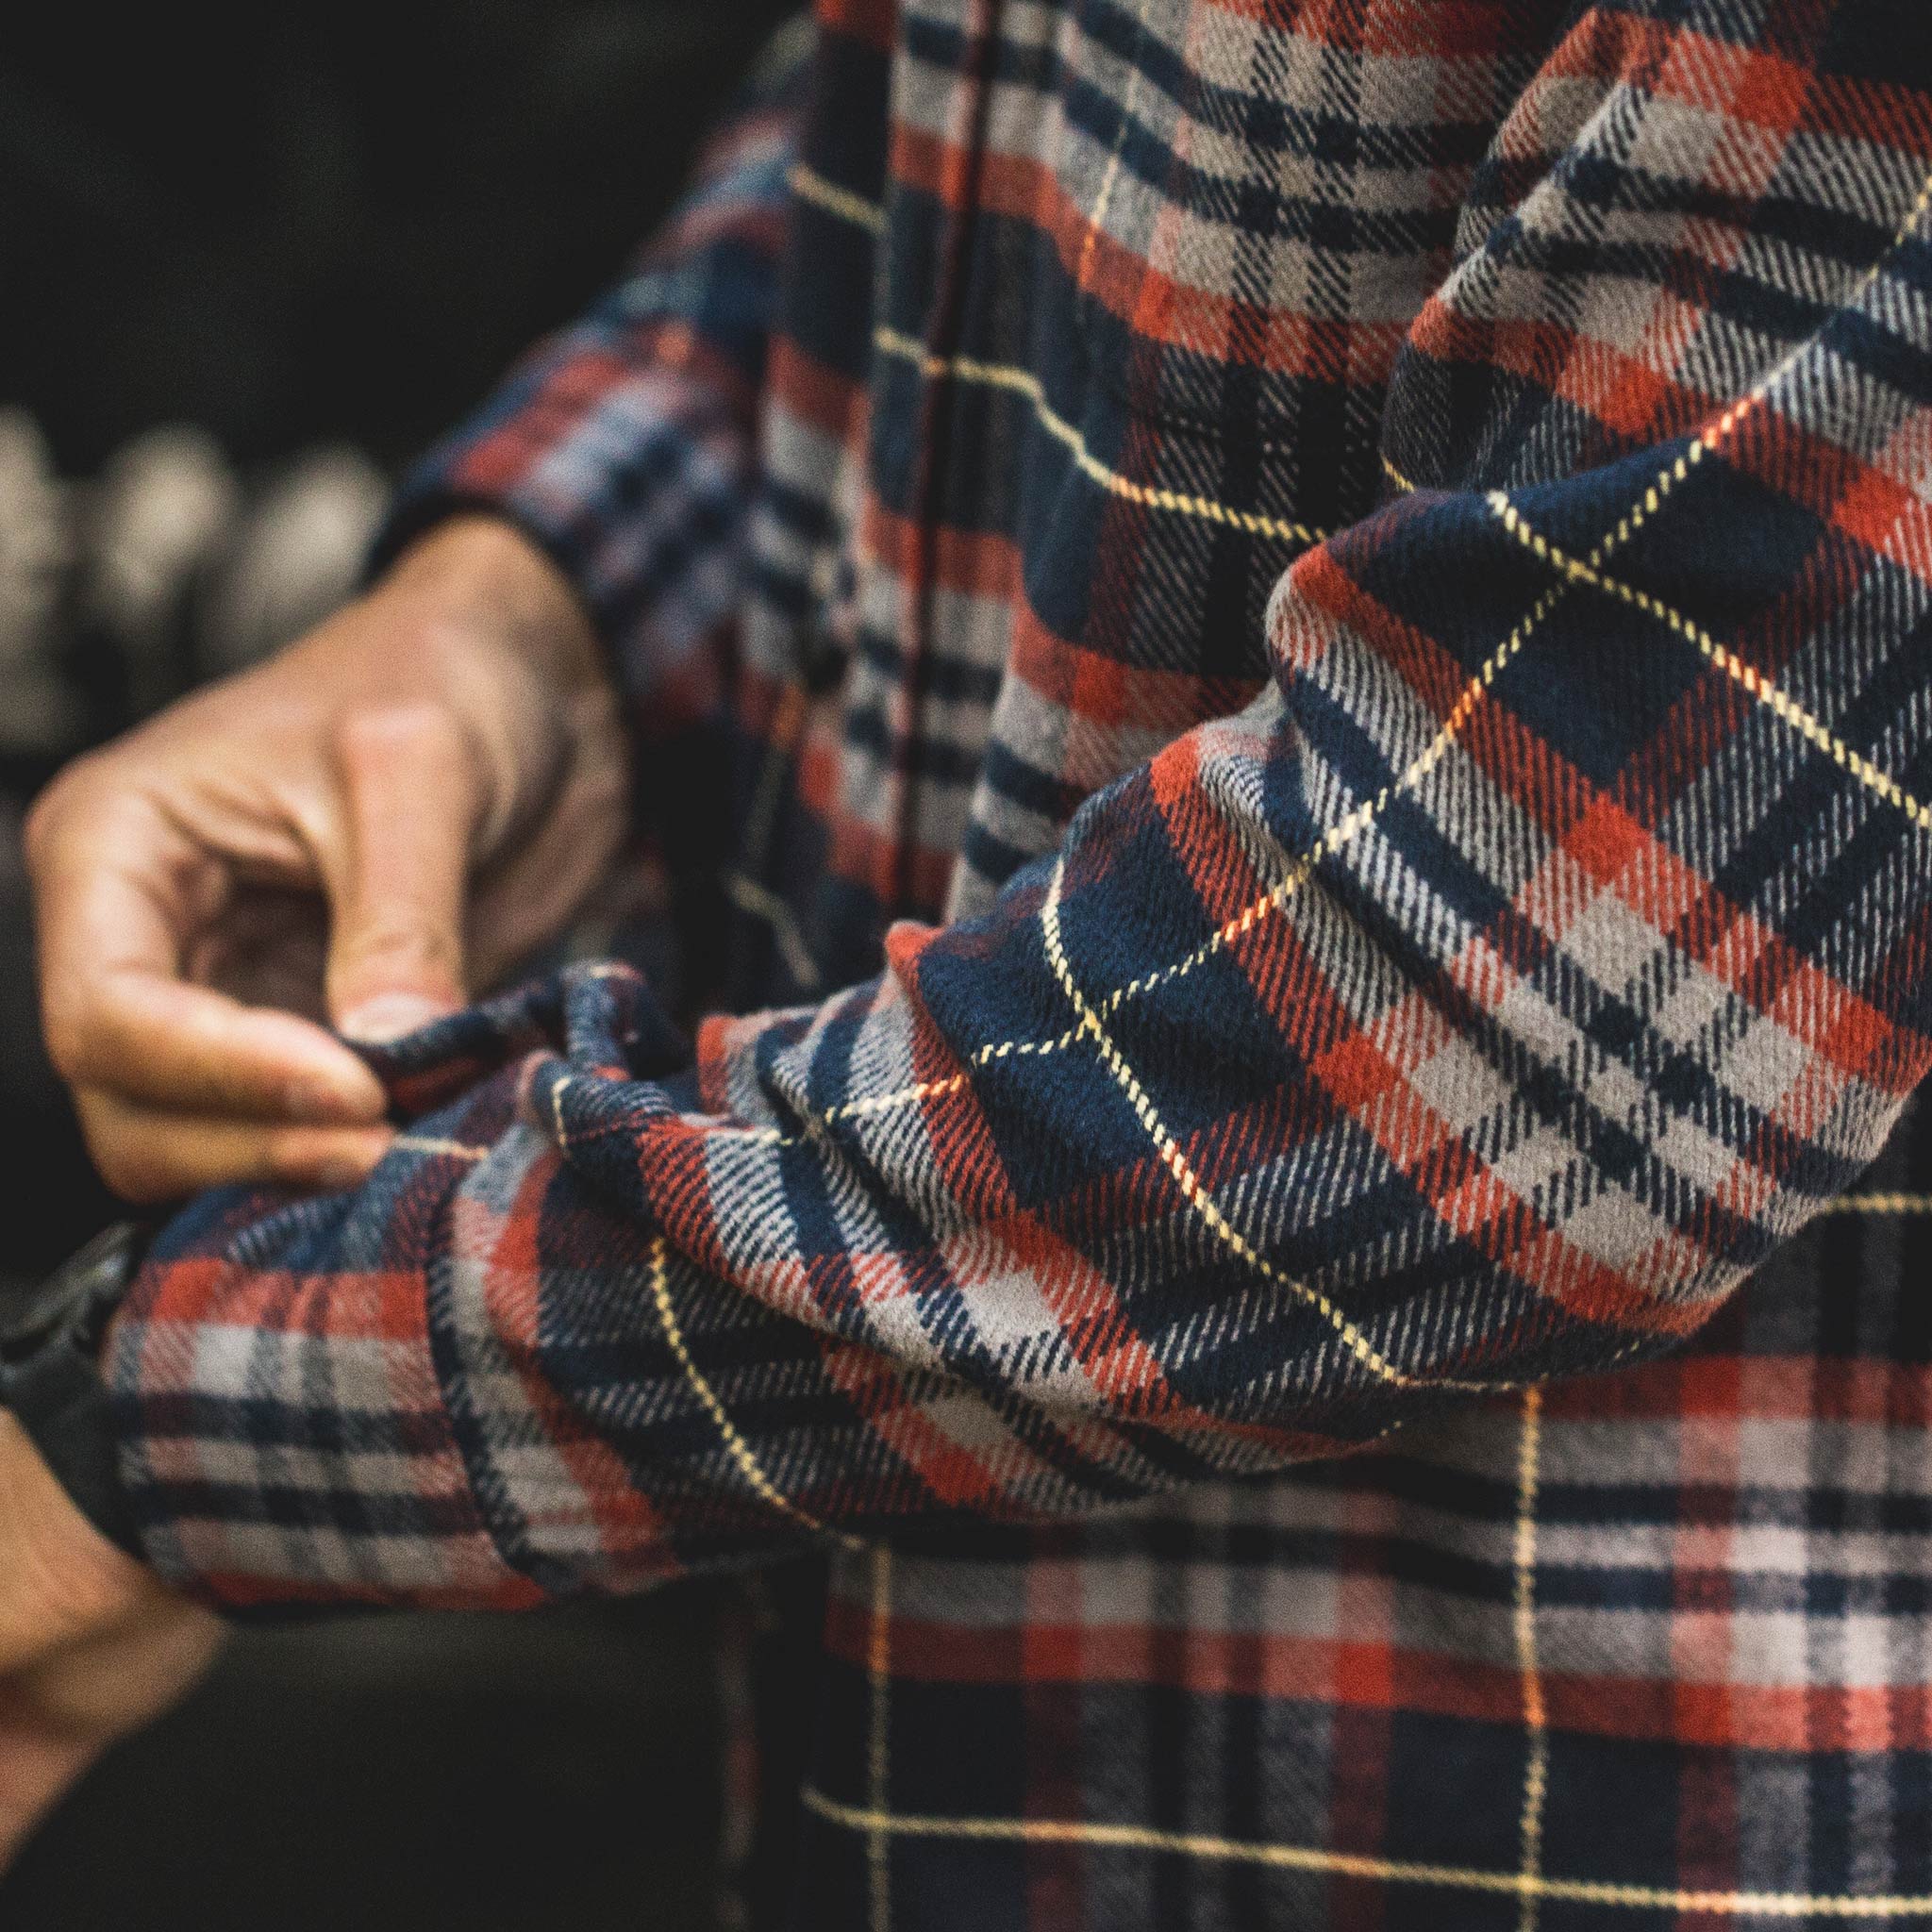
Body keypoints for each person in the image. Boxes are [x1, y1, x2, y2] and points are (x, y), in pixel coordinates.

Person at [8, 0, 1932, 1922]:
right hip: (882, 1755)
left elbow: (1505, 1033)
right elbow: (923, 141)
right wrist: (531, 609)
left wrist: (167, 1423)